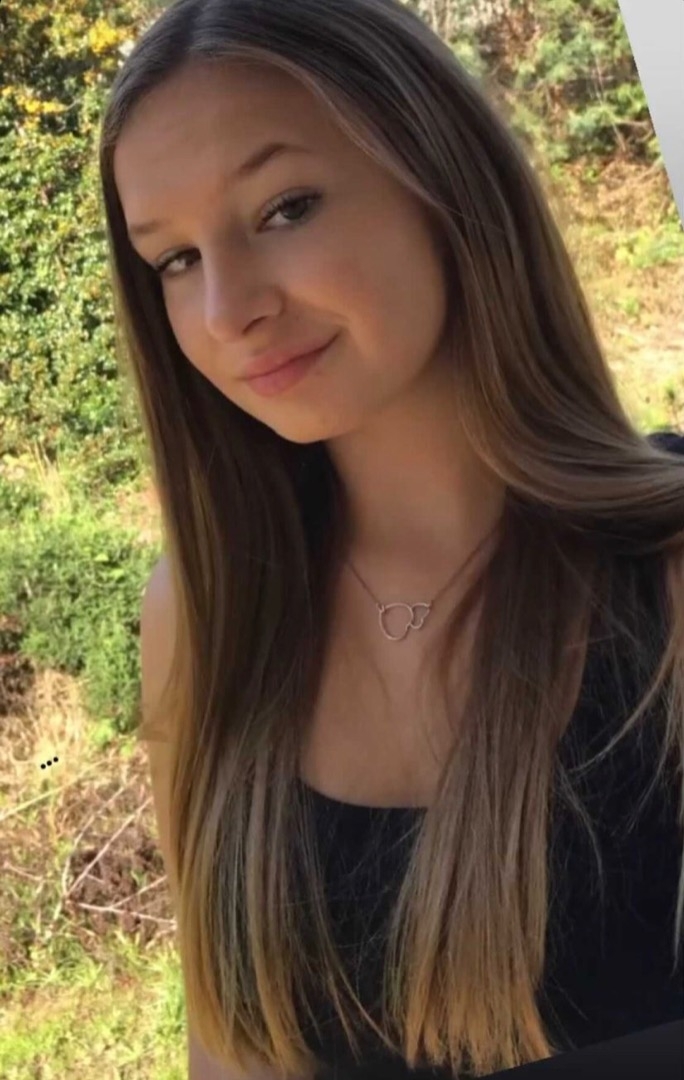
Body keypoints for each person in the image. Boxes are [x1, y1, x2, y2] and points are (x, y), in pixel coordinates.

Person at [98, 0, 684, 1076]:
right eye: (174, 259)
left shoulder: (666, 572)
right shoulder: (203, 617)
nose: (227, 309)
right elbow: (232, 1045)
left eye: (285, 208)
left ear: (442, 180)